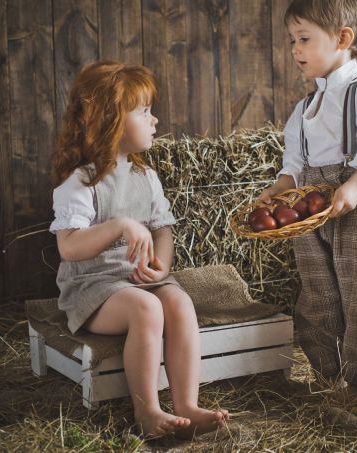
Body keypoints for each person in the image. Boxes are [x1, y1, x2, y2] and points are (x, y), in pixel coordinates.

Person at [49, 61, 228, 438]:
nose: (155, 120)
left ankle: (187, 406)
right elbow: (68, 247)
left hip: (137, 279)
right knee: (147, 308)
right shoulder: (81, 182)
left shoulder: (145, 178)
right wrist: (120, 226)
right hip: (93, 289)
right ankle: (147, 411)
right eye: (144, 111)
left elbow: (164, 230)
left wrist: (161, 268)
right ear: (110, 120)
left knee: (178, 302)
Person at [258, 0, 357, 394]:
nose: (295, 50)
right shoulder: (303, 109)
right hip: (308, 208)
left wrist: (354, 184)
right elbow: (295, 166)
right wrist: (279, 190)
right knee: (318, 294)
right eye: (292, 41)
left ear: (343, 39)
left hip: (355, 203)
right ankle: (326, 375)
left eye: (304, 39)